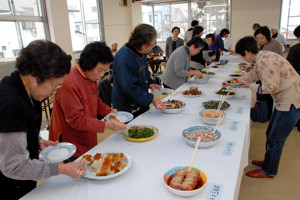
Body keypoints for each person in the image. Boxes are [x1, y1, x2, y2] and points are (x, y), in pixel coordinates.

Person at [0, 40, 87, 199]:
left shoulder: (28, 91)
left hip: (24, 181)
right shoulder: (11, 104)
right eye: (54, 85)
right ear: (34, 76)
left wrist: (36, 140)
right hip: (10, 185)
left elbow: (16, 133)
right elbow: (15, 166)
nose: (54, 92)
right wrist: (62, 169)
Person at [49, 42, 126, 161]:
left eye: (104, 71)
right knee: (79, 169)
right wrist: (106, 125)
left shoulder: (90, 75)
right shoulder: (69, 84)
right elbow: (75, 120)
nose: (101, 75)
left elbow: (95, 100)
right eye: (100, 70)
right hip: (71, 140)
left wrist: (109, 112)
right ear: (88, 64)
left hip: (87, 132)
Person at [236, 36, 300, 178]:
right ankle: (268, 162)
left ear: (246, 52)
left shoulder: (265, 61)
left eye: (241, 55)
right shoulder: (262, 56)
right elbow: (255, 74)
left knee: (276, 139)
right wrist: (238, 81)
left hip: (291, 101)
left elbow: (271, 87)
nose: (242, 58)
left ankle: (268, 171)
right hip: (285, 99)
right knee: (271, 132)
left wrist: (249, 86)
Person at [112, 24, 166, 118]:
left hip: (140, 99)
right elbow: (129, 88)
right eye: (150, 46)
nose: (151, 49)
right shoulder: (124, 59)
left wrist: (150, 83)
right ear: (142, 44)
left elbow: (145, 72)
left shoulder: (142, 51)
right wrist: (151, 99)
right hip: (127, 105)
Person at [286, 25, 300, 131]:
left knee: (296, 104)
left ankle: (297, 123)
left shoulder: (295, 49)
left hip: (297, 81)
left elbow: (289, 67)